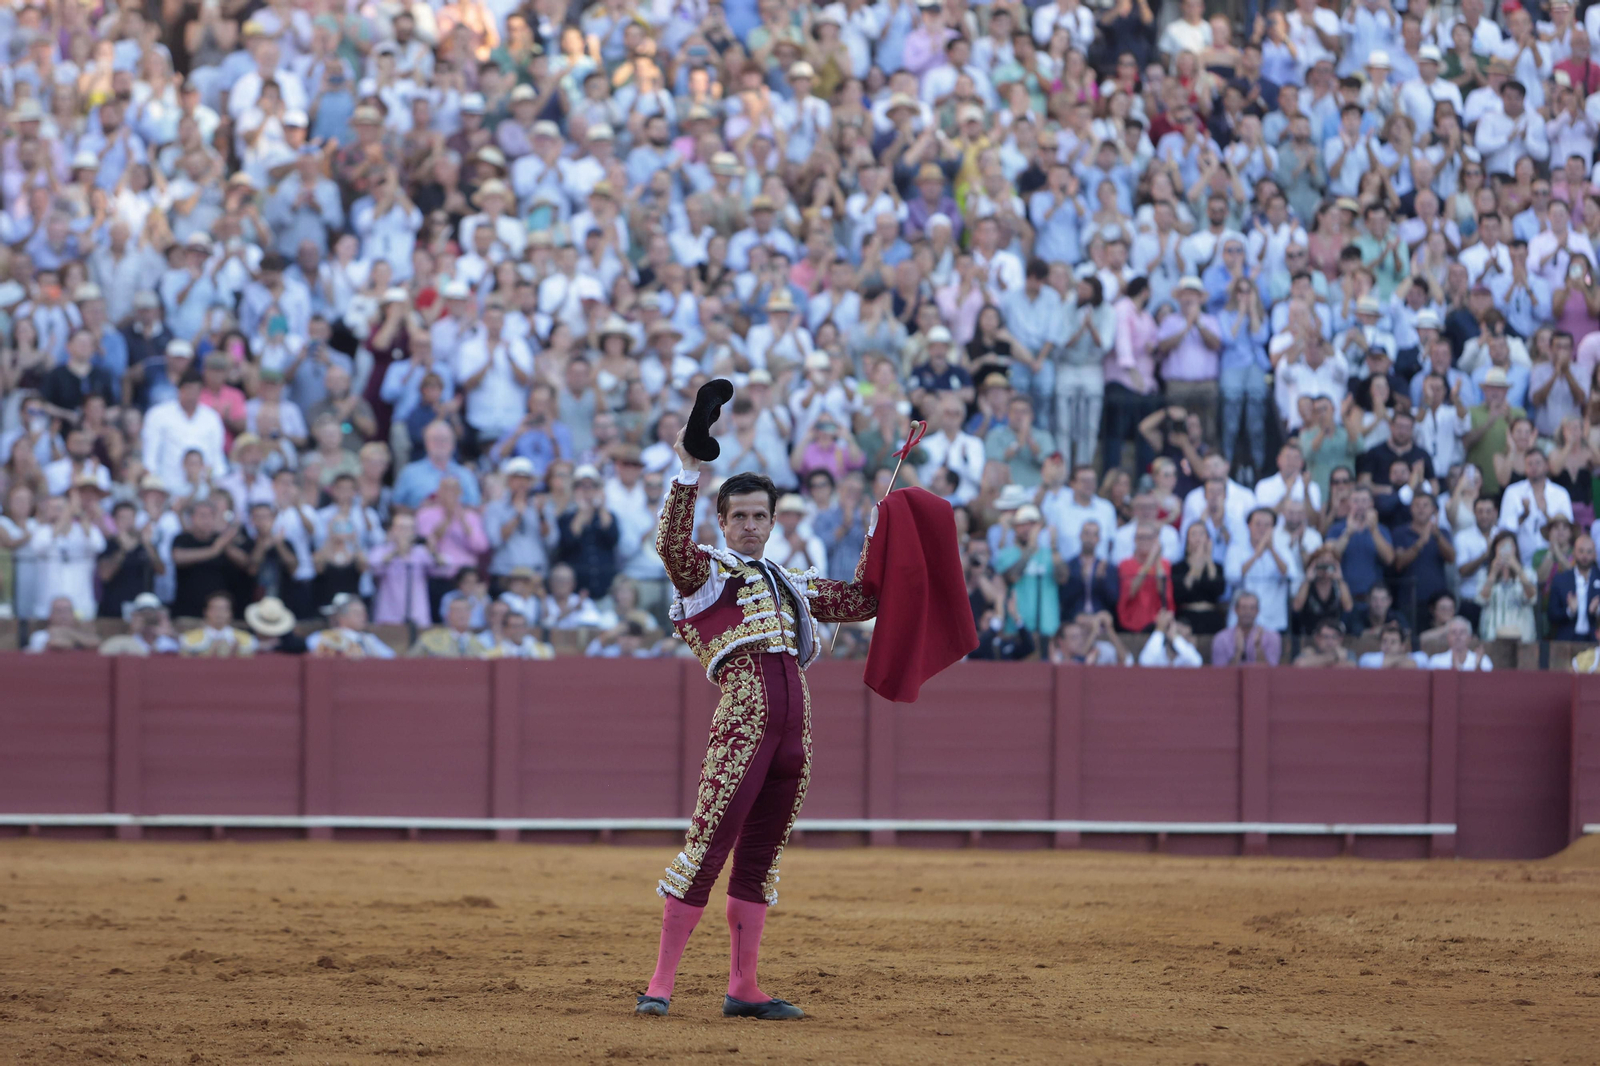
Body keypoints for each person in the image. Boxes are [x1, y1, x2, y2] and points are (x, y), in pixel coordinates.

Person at [637, 428, 881, 1021]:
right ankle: (660, 984)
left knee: (759, 860)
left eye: (759, 516)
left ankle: (744, 987)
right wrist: (688, 471)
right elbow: (670, 545)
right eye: (739, 515)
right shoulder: (705, 576)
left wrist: (881, 530)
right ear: (721, 521)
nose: (750, 524)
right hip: (742, 729)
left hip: (794, 740)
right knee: (706, 850)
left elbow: (862, 601)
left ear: (773, 522)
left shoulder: (791, 583)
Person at [1474, 530, 1537, 644]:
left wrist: (1517, 569)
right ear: (1495, 549)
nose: (1506, 550)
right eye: (1502, 546)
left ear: (1516, 549)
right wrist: (1493, 572)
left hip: (1522, 636)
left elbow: (1532, 597)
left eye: (1509, 546)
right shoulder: (1484, 573)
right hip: (1491, 635)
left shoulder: (1528, 573)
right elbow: (1481, 599)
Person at [1547, 534, 1600, 643]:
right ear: (1574, 552)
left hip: (1595, 642)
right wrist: (1569, 611)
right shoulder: (1560, 580)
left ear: (1595, 554)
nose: (1585, 556)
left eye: (1589, 552)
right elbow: (1551, 615)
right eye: (1581, 551)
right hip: (1565, 642)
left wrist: (1598, 610)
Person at [1210, 591, 1282, 664]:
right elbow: (1220, 673)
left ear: (1257, 611)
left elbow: (1271, 673)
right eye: (1244, 608)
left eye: (1252, 608)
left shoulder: (1272, 638)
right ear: (1236, 609)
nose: (1248, 612)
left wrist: (1258, 648)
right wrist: (1238, 652)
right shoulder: (1221, 639)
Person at [178, 592, 260, 656]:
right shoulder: (188, 639)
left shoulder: (248, 640)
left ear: (230, 613)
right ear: (206, 612)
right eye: (215, 608)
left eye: (223, 609)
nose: (219, 613)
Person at [1428, 615, 1494, 671]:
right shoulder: (1436, 661)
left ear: (1469, 637)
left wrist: (1478, 668)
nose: (1458, 636)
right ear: (1447, 637)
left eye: (1462, 632)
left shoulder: (1483, 660)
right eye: (1454, 632)